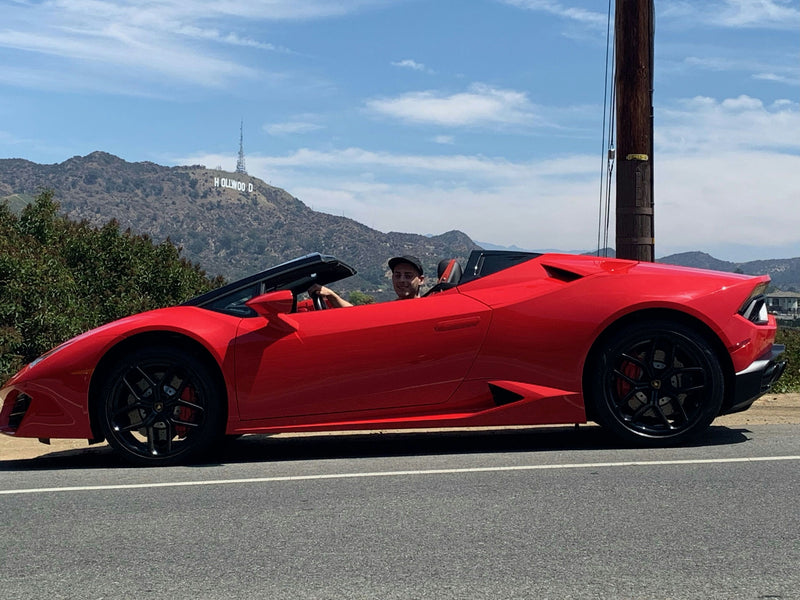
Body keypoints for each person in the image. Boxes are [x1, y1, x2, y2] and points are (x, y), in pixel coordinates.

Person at [308, 254, 425, 307]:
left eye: (408, 276)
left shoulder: (425, 310)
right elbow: (357, 316)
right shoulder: (390, 308)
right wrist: (332, 295)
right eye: (397, 275)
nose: (402, 280)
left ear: (421, 280)